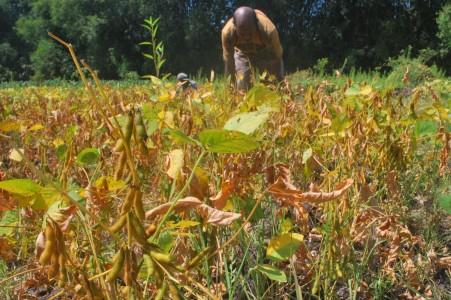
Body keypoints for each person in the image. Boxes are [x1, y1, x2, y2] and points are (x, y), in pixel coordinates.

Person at [221, 6, 284, 91]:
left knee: (270, 86)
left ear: (256, 23)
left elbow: (276, 58)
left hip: (264, 53)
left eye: (250, 33)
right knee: (242, 87)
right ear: (235, 26)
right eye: (242, 34)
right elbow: (229, 63)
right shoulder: (227, 34)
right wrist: (231, 89)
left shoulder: (269, 31)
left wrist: (279, 83)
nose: (247, 38)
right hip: (242, 54)